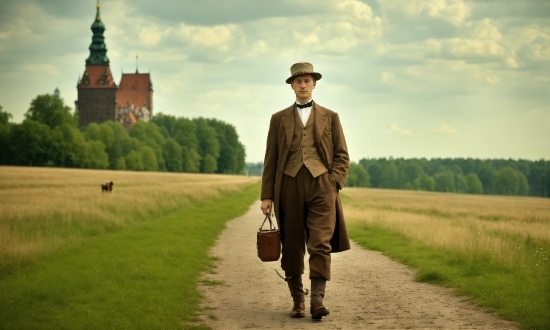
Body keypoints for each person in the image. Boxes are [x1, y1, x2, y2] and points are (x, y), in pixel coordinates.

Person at [260, 62, 351, 320]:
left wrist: (333, 182)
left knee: (320, 244)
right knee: (291, 246)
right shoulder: (278, 119)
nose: (302, 85)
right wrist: (267, 195)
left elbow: (342, 155)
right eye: (297, 81)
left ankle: (317, 302)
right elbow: (271, 159)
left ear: (314, 84)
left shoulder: (330, 117)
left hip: (322, 186)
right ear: (292, 85)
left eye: (307, 80)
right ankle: (298, 301)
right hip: (288, 185)